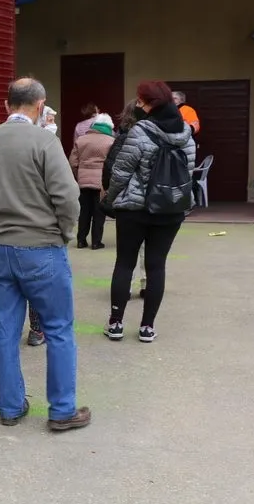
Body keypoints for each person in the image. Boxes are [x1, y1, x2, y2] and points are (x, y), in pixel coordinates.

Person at [0, 77, 91, 432]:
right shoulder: (44, 141)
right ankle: (62, 410)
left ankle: (10, 406)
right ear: (41, 106)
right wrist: (64, 234)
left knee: (5, 330)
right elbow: (68, 196)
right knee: (58, 328)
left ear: (7, 105)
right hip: (42, 247)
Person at [102, 81, 196, 343]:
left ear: (152, 104)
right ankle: (147, 327)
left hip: (135, 208)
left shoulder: (140, 131)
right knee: (156, 267)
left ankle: (116, 323)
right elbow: (188, 172)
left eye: (141, 101)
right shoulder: (187, 134)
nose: (139, 105)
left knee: (124, 263)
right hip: (170, 210)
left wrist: (110, 198)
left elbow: (121, 172)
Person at [103, 100, 148, 299]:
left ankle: (126, 287)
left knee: (126, 252)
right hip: (153, 201)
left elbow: (110, 169)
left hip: (127, 203)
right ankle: (148, 285)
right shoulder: (157, 137)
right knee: (150, 250)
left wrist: (110, 194)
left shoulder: (122, 138)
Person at [70, 113, 115, 249]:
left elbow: (73, 162)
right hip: (101, 182)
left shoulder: (81, 140)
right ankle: (96, 242)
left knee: (84, 211)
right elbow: (112, 164)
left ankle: (81, 240)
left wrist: (78, 176)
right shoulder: (111, 141)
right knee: (98, 213)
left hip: (83, 181)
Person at [173, 91, 203, 206]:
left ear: (181, 100)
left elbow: (195, 127)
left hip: (184, 147)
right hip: (171, 146)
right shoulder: (166, 110)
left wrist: (183, 131)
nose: (171, 100)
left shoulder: (187, 110)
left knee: (184, 175)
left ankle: (187, 203)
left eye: (174, 98)